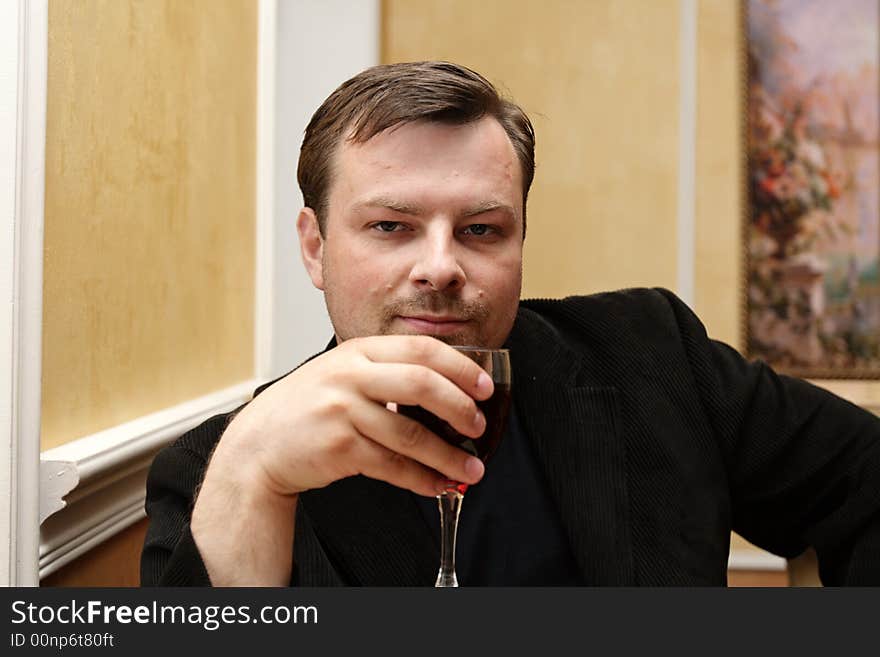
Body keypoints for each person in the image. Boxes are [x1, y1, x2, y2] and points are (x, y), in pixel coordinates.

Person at [141, 61, 880, 586]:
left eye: (482, 230)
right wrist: (251, 476)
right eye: (393, 226)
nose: (440, 266)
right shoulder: (220, 466)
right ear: (316, 245)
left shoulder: (654, 352)